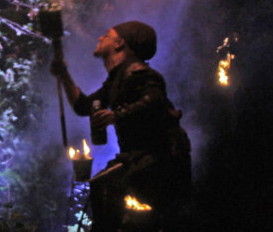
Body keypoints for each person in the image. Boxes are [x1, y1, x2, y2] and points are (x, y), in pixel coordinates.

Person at [51, 20, 192, 231]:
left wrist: (116, 115)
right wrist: (63, 74)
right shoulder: (117, 79)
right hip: (140, 159)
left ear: (119, 44)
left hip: (160, 160)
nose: (100, 38)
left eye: (107, 35)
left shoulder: (139, 72)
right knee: (102, 189)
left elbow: (155, 100)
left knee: (112, 196)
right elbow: (84, 106)